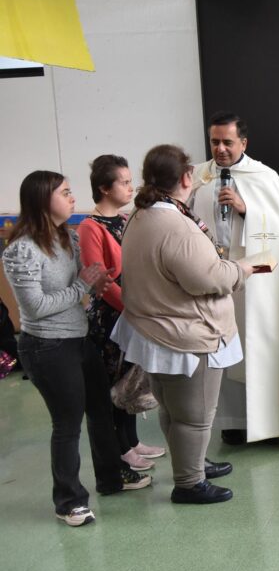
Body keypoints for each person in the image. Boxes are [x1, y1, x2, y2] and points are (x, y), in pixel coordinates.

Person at [3, 171, 151, 526]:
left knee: (101, 410)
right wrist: (82, 287)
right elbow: (35, 307)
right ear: (42, 200)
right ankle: (69, 501)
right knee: (67, 424)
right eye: (66, 193)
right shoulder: (21, 249)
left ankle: (112, 479)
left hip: (77, 339)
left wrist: (98, 281)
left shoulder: (66, 237)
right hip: (46, 347)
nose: (73, 199)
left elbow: (82, 283)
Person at [117, 145, 252, 503]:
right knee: (194, 415)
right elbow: (208, 279)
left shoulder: (141, 215)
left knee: (174, 410)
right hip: (188, 334)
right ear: (187, 177)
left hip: (155, 329)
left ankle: (191, 464)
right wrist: (243, 270)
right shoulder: (176, 226)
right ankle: (190, 483)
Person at [191, 111, 279, 444]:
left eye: (227, 142)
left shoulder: (263, 176)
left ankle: (271, 423)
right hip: (215, 279)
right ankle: (232, 422)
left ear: (243, 143)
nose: (220, 149)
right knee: (225, 350)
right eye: (214, 141)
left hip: (256, 284)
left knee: (259, 345)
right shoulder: (198, 177)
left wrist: (248, 210)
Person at [79, 154, 166, 472]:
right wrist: (131, 307)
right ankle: (119, 448)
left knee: (132, 380)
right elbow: (94, 276)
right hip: (113, 315)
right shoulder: (90, 226)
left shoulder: (127, 219)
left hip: (134, 308)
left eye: (131, 181)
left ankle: (131, 440)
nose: (131, 187)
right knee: (113, 383)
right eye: (125, 182)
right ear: (104, 187)